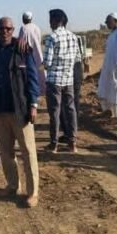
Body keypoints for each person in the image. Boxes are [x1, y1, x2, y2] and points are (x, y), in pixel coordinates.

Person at [0, 17, 40, 207]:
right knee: (6, 152)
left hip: (20, 110)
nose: (4, 31)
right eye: (1, 28)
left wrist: (33, 104)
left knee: (28, 152)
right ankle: (12, 185)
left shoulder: (22, 49)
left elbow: (32, 78)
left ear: (13, 29)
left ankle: (32, 192)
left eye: (8, 28)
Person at [43, 9, 79, 153]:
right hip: (68, 79)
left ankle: (54, 144)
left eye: (50, 20)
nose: (49, 24)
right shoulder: (73, 37)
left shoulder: (51, 38)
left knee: (55, 112)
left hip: (54, 80)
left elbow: (47, 62)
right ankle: (72, 143)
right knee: (71, 110)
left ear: (55, 21)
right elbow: (77, 58)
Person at [18, 11, 45, 93]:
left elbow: (20, 42)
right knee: (39, 71)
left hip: (26, 53)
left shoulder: (23, 28)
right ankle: (40, 89)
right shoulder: (37, 27)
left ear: (23, 19)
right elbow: (39, 40)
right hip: (37, 52)